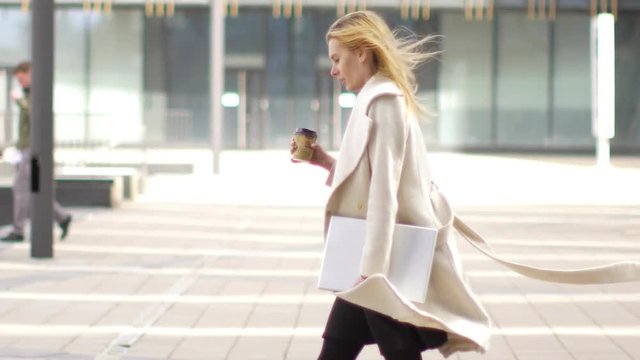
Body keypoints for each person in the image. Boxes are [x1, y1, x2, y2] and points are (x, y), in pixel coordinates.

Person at [290, 11, 491, 359]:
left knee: (388, 350)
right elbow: (369, 181)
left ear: (362, 53)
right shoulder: (374, 97)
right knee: (340, 346)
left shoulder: (384, 102)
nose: (334, 70)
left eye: (338, 59)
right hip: (375, 253)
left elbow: (384, 194)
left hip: (382, 257)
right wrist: (323, 160)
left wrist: (372, 272)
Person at [1, 61, 72, 242]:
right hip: (27, 149)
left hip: (34, 150)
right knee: (36, 189)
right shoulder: (29, 93)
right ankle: (62, 217)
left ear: (29, 74)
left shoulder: (36, 93)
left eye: (21, 78)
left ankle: (18, 230)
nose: (20, 83)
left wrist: (19, 100)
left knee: (22, 188)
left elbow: (34, 113)